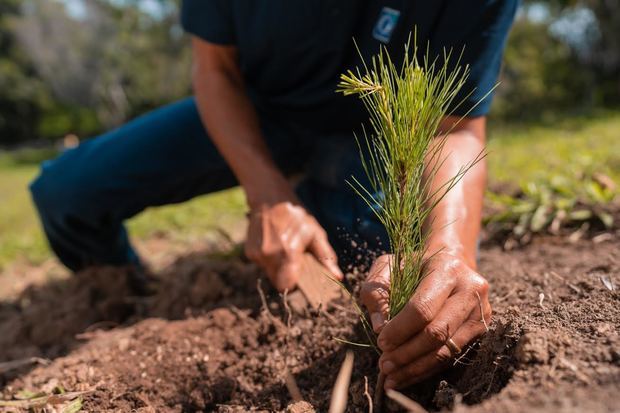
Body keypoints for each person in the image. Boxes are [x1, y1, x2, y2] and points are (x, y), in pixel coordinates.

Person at [30, 0, 518, 390]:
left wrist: (447, 247)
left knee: (366, 266)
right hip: (253, 108)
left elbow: (454, 125)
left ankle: (322, 208)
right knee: (66, 193)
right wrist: (268, 196)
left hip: (371, 136)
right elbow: (213, 69)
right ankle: (129, 296)